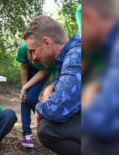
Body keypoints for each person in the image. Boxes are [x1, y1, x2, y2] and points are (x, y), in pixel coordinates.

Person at [23, 15, 81, 155]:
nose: (33, 58)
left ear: (47, 43)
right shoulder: (75, 52)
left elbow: (56, 110)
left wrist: (38, 108)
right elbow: (66, 79)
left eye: (33, 51)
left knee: (46, 129)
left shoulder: (76, 57)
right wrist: (51, 86)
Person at [81, 0, 119, 154]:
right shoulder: (106, 46)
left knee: (93, 144)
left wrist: (86, 103)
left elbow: (101, 121)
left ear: (88, 16)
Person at [15, 43, 56, 148]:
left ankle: (49, 121)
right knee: (25, 99)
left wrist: (26, 88)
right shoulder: (24, 48)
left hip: (41, 72)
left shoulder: (51, 53)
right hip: (28, 70)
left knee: (31, 98)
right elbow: (24, 68)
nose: (33, 60)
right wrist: (24, 88)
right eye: (31, 58)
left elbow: (43, 73)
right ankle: (27, 134)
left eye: (36, 60)